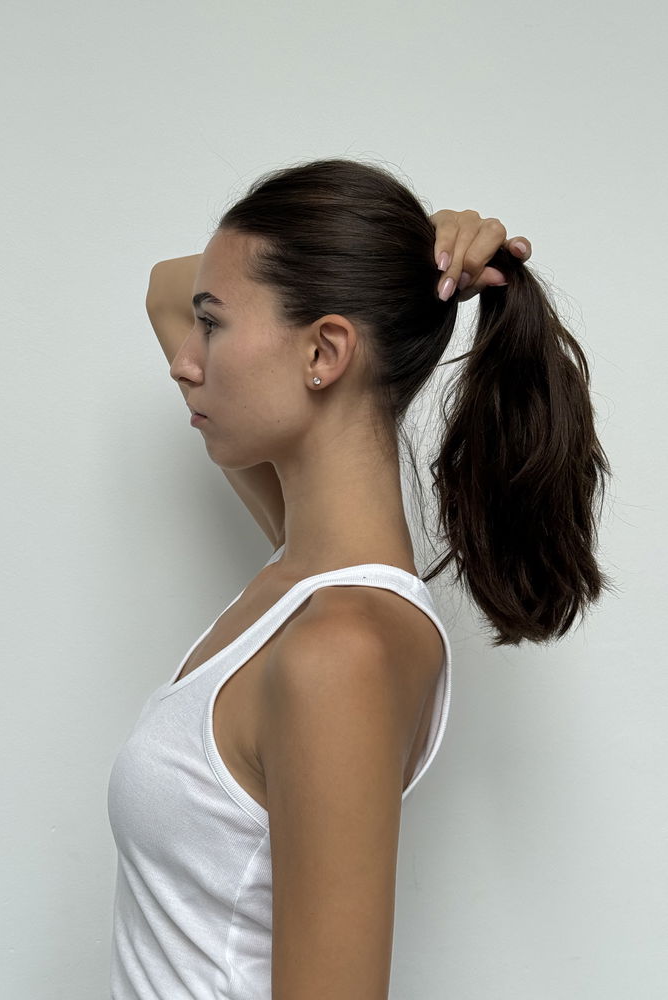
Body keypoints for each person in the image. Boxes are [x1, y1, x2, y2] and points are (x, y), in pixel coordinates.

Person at [107, 158, 613, 999]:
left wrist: (404, 265)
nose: (183, 361)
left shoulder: (341, 649)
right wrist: (416, 258)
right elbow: (167, 289)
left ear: (325, 350)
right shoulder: (303, 572)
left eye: (213, 326)